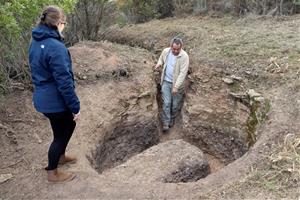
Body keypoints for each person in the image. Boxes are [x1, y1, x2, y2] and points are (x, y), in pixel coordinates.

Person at [29, 6, 80, 183]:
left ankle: (61, 156)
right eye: (63, 23)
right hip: (55, 100)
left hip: (42, 97)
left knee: (65, 126)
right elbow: (64, 81)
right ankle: (53, 172)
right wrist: (75, 106)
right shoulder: (55, 47)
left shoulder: (35, 41)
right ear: (58, 23)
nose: (64, 26)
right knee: (59, 135)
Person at [155, 37, 189, 132]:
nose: (175, 51)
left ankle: (172, 118)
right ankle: (166, 122)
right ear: (171, 46)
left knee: (175, 105)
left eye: (178, 49)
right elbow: (161, 59)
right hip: (166, 81)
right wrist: (159, 63)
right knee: (166, 103)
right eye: (174, 49)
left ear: (181, 47)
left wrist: (176, 87)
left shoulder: (184, 56)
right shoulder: (166, 51)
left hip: (177, 85)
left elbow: (183, 73)